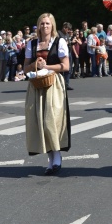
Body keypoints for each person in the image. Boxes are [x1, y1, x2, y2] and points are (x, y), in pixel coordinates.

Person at [24, 13, 71, 176]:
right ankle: (51, 159)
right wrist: (34, 65)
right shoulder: (32, 44)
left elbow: (65, 66)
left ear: (53, 26)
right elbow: (25, 69)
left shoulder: (59, 42)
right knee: (40, 122)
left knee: (51, 121)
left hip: (53, 85)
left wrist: (47, 66)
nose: (45, 26)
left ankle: (56, 156)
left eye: (48, 24)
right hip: (37, 85)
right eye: (42, 23)